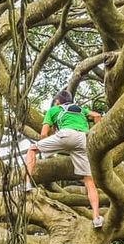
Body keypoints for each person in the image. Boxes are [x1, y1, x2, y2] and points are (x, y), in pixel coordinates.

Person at [24, 90, 105, 227]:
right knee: (89, 180)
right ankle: (96, 218)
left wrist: (48, 147)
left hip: (66, 135)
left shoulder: (53, 110)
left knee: (32, 149)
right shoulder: (80, 109)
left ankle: (27, 184)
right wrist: (95, 132)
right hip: (83, 140)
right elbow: (97, 115)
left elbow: (43, 134)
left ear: (57, 102)